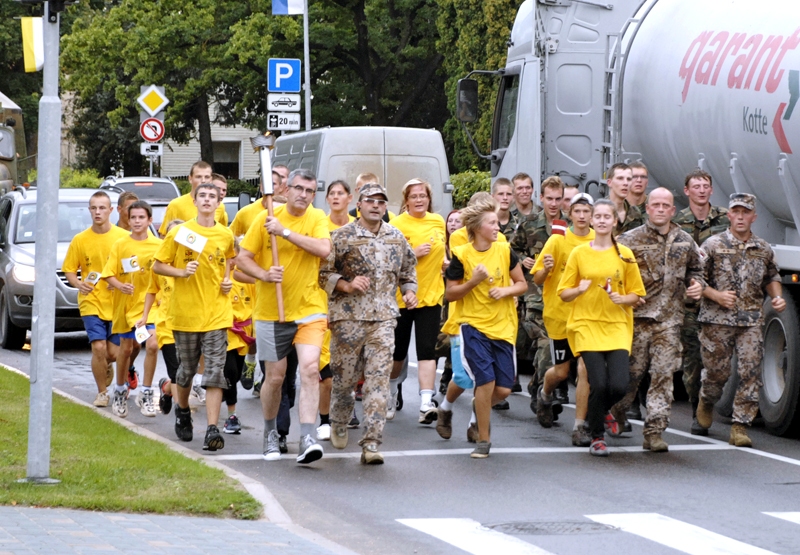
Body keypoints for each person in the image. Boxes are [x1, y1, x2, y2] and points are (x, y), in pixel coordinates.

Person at [237, 168, 332, 464]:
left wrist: (286, 233)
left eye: (309, 191)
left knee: (309, 370)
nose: (304, 195)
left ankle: (307, 436)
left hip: (310, 309)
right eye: (299, 189)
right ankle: (269, 433)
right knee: (275, 378)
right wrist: (264, 275)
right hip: (270, 312)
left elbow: (324, 249)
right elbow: (242, 259)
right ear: (286, 190)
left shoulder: (315, 218)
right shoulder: (263, 219)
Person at [321, 184, 418, 463]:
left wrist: (410, 291)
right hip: (348, 320)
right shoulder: (341, 237)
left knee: (378, 383)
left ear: (386, 207)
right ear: (359, 205)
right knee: (344, 382)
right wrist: (347, 285)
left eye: (381, 202)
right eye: (370, 201)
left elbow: (408, 270)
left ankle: (372, 443)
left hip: (384, 321)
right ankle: (339, 420)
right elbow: (322, 273)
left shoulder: (396, 237)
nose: (376, 205)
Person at [610, 188, 705, 452]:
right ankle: (617, 410)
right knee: (631, 376)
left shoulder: (685, 240)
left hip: (670, 321)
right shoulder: (629, 240)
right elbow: (613, 272)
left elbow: (696, 270)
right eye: (656, 205)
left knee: (663, 376)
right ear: (648, 209)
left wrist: (697, 285)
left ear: (673, 210)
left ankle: (654, 432)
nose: (661, 209)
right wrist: (625, 295)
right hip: (637, 320)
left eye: (666, 205)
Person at [557, 198, 645, 457]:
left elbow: (637, 294)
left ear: (615, 221)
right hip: (586, 325)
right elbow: (563, 293)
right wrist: (578, 289)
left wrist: (623, 298)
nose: (603, 220)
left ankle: (600, 411)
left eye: (609, 216)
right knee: (599, 383)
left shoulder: (624, 254)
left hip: (617, 325)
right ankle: (597, 436)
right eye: (599, 216)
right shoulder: (579, 253)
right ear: (592, 221)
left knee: (619, 385)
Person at [695, 193, 784, 447]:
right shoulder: (712, 244)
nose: (741, 216)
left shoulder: (763, 248)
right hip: (716, 320)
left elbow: (772, 277)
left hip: (751, 320)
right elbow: (695, 279)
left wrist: (777, 298)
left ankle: (740, 426)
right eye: (737, 212)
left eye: (746, 212)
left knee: (750, 372)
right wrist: (717, 295)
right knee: (717, 374)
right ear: (729, 215)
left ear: (753, 217)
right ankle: (707, 400)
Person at [153, 183, 236, 452]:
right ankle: (183, 410)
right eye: (203, 196)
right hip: (185, 314)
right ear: (195, 200)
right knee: (186, 371)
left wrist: (227, 281)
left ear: (219, 202)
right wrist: (181, 271)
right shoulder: (180, 231)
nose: (208, 200)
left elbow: (230, 262)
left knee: (214, 372)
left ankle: (212, 429)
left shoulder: (225, 234)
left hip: (217, 314)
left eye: (213, 196)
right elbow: (157, 264)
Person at [444, 196, 527, 458]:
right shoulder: (462, 255)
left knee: (502, 390)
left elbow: (522, 284)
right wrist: (474, 281)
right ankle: (484, 440)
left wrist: (505, 291)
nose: (497, 227)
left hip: (503, 326)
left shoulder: (504, 250)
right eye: (492, 223)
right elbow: (450, 294)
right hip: (473, 325)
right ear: (478, 228)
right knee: (485, 380)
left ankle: (478, 407)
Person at [531, 193, 595, 446]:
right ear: (570, 214)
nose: (581, 216)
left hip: (588, 317)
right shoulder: (557, 241)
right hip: (559, 315)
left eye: (586, 211)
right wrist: (546, 268)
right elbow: (536, 278)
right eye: (577, 211)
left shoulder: (598, 241)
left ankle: (580, 426)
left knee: (584, 371)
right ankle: (545, 394)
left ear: (592, 215)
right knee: (561, 370)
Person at [672, 169, 730, 434]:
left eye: (705, 185)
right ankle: (698, 409)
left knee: (719, 363)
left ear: (711, 189)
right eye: (696, 186)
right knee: (693, 361)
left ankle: (708, 400)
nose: (701, 190)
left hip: (717, 302)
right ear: (687, 191)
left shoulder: (724, 219)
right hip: (689, 304)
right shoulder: (678, 222)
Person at [388, 178, 447, 425]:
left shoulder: (438, 221)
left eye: (423, 195)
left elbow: (444, 253)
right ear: (406, 200)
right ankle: (390, 392)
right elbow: (390, 261)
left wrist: (445, 264)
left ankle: (425, 402)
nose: (419, 200)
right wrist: (414, 254)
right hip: (402, 298)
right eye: (414, 196)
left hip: (431, 297)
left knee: (427, 351)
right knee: (398, 353)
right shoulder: (397, 224)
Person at [63, 191, 129, 407]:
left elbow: (131, 266)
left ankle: (107, 366)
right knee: (98, 348)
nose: (98, 212)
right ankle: (102, 393)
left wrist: (118, 282)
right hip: (91, 300)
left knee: (112, 353)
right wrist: (78, 283)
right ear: (89, 210)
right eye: (94, 208)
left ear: (111, 210)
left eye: (102, 208)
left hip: (118, 302)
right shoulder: (80, 240)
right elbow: (70, 270)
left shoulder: (122, 237)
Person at [102, 200, 163, 418]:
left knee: (153, 344)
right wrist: (120, 285)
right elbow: (108, 273)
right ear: (128, 219)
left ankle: (146, 392)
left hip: (151, 305)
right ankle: (119, 390)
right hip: (127, 306)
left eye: (141, 217)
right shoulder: (121, 245)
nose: (137, 221)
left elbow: (164, 273)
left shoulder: (158, 246)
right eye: (133, 217)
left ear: (149, 220)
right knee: (126, 350)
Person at [511, 176, 567, 403]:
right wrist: (523, 259)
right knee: (545, 343)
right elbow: (511, 250)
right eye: (549, 199)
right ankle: (543, 391)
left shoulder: (570, 227)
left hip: (562, 296)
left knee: (554, 349)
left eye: (558, 199)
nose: (554, 204)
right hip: (535, 296)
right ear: (541, 198)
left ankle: (540, 385)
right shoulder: (529, 223)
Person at [316, 180, 356, 441]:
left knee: (349, 368)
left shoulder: (358, 228)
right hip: (322, 300)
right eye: (332, 194)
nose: (336, 197)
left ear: (350, 198)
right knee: (326, 371)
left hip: (352, 305)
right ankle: (324, 420)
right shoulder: (320, 226)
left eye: (341, 193)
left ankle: (343, 411)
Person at [140, 219, 183, 416]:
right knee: (177, 372)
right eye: (171, 236)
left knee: (186, 374)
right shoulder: (159, 266)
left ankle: (166, 389)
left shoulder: (193, 264)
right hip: (166, 324)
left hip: (192, 323)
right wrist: (145, 316)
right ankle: (182, 415)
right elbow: (151, 291)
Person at [220, 242, 255, 435]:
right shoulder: (218, 279)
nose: (231, 261)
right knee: (230, 371)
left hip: (244, 334)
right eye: (228, 257)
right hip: (225, 331)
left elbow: (256, 306)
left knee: (236, 373)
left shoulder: (246, 280)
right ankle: (231, 416)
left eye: (234, 257)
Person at [158, 161, 227, 236]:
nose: (203, 181)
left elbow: (222, 234)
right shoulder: (176, 205)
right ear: (190, 179)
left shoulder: (219, 206)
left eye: (206, 177)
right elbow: (164, 236)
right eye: (198, 177)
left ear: (211, 179)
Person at [605, 163, 643, 237]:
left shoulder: (635, 213)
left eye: (629, 179)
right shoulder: (598, 211)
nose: (625, 183)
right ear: (609, 182)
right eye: (620, 178)